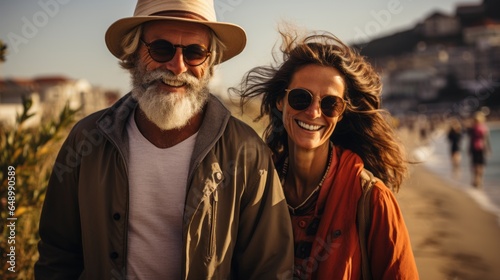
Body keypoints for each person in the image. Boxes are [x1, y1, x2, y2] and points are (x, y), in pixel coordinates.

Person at [34, 0, 294, 279]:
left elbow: (269, 268)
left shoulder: (246, 151)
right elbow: (58, 255)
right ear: (134, 54)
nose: (177, 66)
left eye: (195, 52)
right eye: (161, 49)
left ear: (210, 63)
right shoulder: (87, 140)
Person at [232, 28, 419, 279]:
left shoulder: (373, 201)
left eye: (330, 104)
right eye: (301, 98)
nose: (313, 113)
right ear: (280, 101)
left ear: (341, 114)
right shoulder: (254, 187)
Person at [467, 111, 491, 188]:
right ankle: (479, 180)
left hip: (474, 147)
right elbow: (486, 140)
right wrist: (488, 149)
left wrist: (469, 148)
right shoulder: (484, 128)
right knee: (481, 165)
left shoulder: (473, 128)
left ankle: (475, 180)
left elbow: (471, 140)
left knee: (475, 164)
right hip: (481, 148)